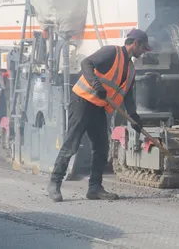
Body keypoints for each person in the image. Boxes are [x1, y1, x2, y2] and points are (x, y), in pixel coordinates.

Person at [47, 28, 152, 202]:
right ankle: (54, 184)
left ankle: (95, 188)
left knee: (102, 148)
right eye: (143, 48)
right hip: (83, 101)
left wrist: (134, 118)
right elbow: (86, 63)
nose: (144, 52)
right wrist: (97, 85)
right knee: (71, 144)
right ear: (135, 43)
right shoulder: (112, 52)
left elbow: (128, 97)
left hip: (99, 108)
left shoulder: (131, 70)